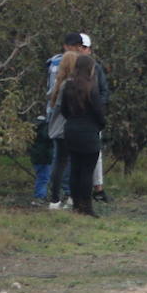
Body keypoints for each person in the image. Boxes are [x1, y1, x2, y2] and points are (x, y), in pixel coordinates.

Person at [46, 31, 111, 202]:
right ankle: (73, 197)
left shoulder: (56, 67)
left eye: (84, 47)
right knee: (76, 163)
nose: (82, 50)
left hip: (63, 122)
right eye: (80, 47)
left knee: (63, 161)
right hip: (76, 124)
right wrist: (96, 118)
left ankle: (60, 197)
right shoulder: (75, 75)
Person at [60, 54, 106, 217]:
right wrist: (99, 125)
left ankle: (76, 205)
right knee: (87, 171)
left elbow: (63, 110)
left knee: (75, 169)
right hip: (88, 132)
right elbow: (99, 112)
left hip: (71, 130)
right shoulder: (91, 88)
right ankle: (87, 207)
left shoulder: (68, 86)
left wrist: (72, 121)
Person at [45, 51, 78, 209]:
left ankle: (54, 198)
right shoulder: (70, 85)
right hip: (67, 129)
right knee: (69, 163)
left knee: (58, 163)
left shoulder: (58, 84)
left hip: (56, 129)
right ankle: (70, 195)